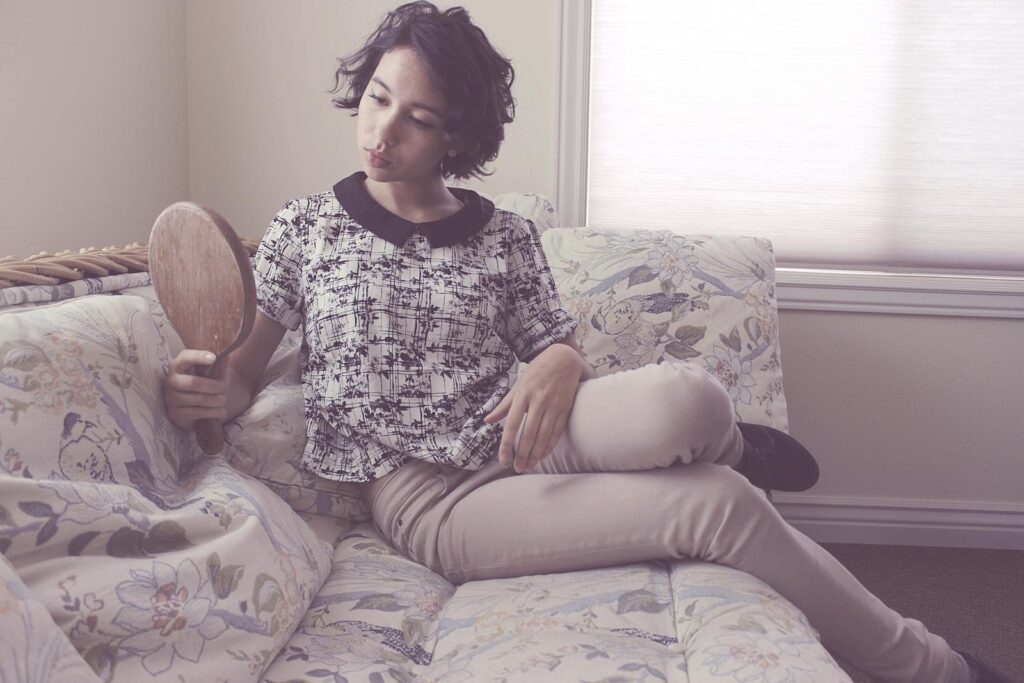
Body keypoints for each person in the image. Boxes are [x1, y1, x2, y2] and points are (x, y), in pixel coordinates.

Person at [162, 3, 1007, 682]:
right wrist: (209, 388)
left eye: (417, 118)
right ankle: (930, 664)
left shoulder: (507, 236)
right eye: (379, 98)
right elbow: (242, 373)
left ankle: (733, 439)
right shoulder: (305, 227)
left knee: (695, 397)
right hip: (440, 496)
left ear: (456, 136)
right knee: (719, 503)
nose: (383, 132)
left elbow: (554, 343)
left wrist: (560, 359)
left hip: (523, 428)